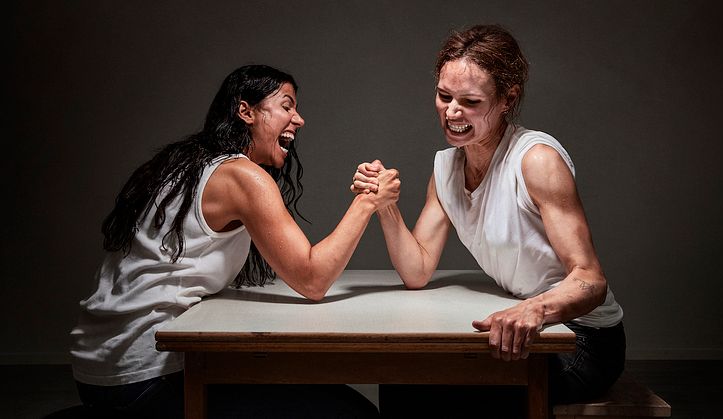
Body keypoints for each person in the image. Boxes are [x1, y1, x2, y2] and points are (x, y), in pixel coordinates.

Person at [69, 64, 398, 418]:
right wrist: (368, 201)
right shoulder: (241, 175)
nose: (298, 119)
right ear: (246, 112)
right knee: (355, 414)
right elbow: (313, 279)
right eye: (287, 106)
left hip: (102, 367)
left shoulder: (191, 163)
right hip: (143, 376)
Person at [351, 24, 625, 415]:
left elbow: (591, 279)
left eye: (471, 102)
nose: (452, 112)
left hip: (582, 340)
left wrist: (535, 309)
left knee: (421, 398)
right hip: (526, 333)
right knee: (402, 380)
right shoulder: (445, 168)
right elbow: (417, 271)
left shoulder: (536, 160)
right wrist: (385, 206)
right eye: (444, 96)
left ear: (507, 100)